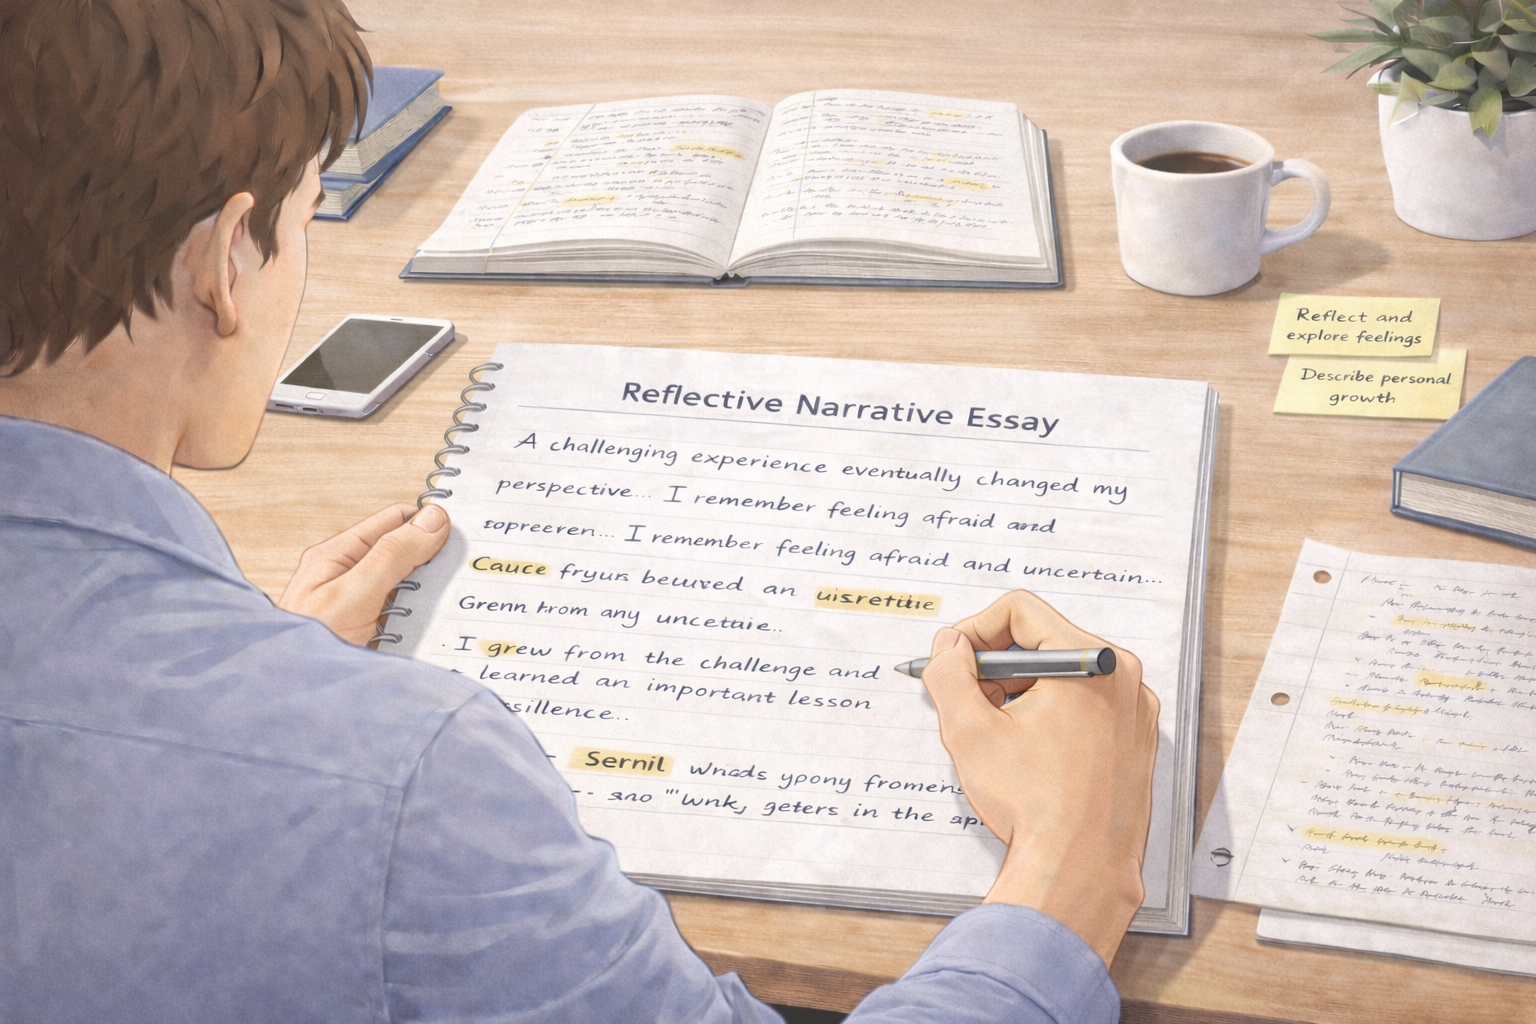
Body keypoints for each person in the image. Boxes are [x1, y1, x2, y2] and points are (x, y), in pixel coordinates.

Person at [0, 0, 1161, 1020]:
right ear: (218, 265)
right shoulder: (409, 781)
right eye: (304, 222)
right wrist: (1071, 869)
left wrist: (257, 688)